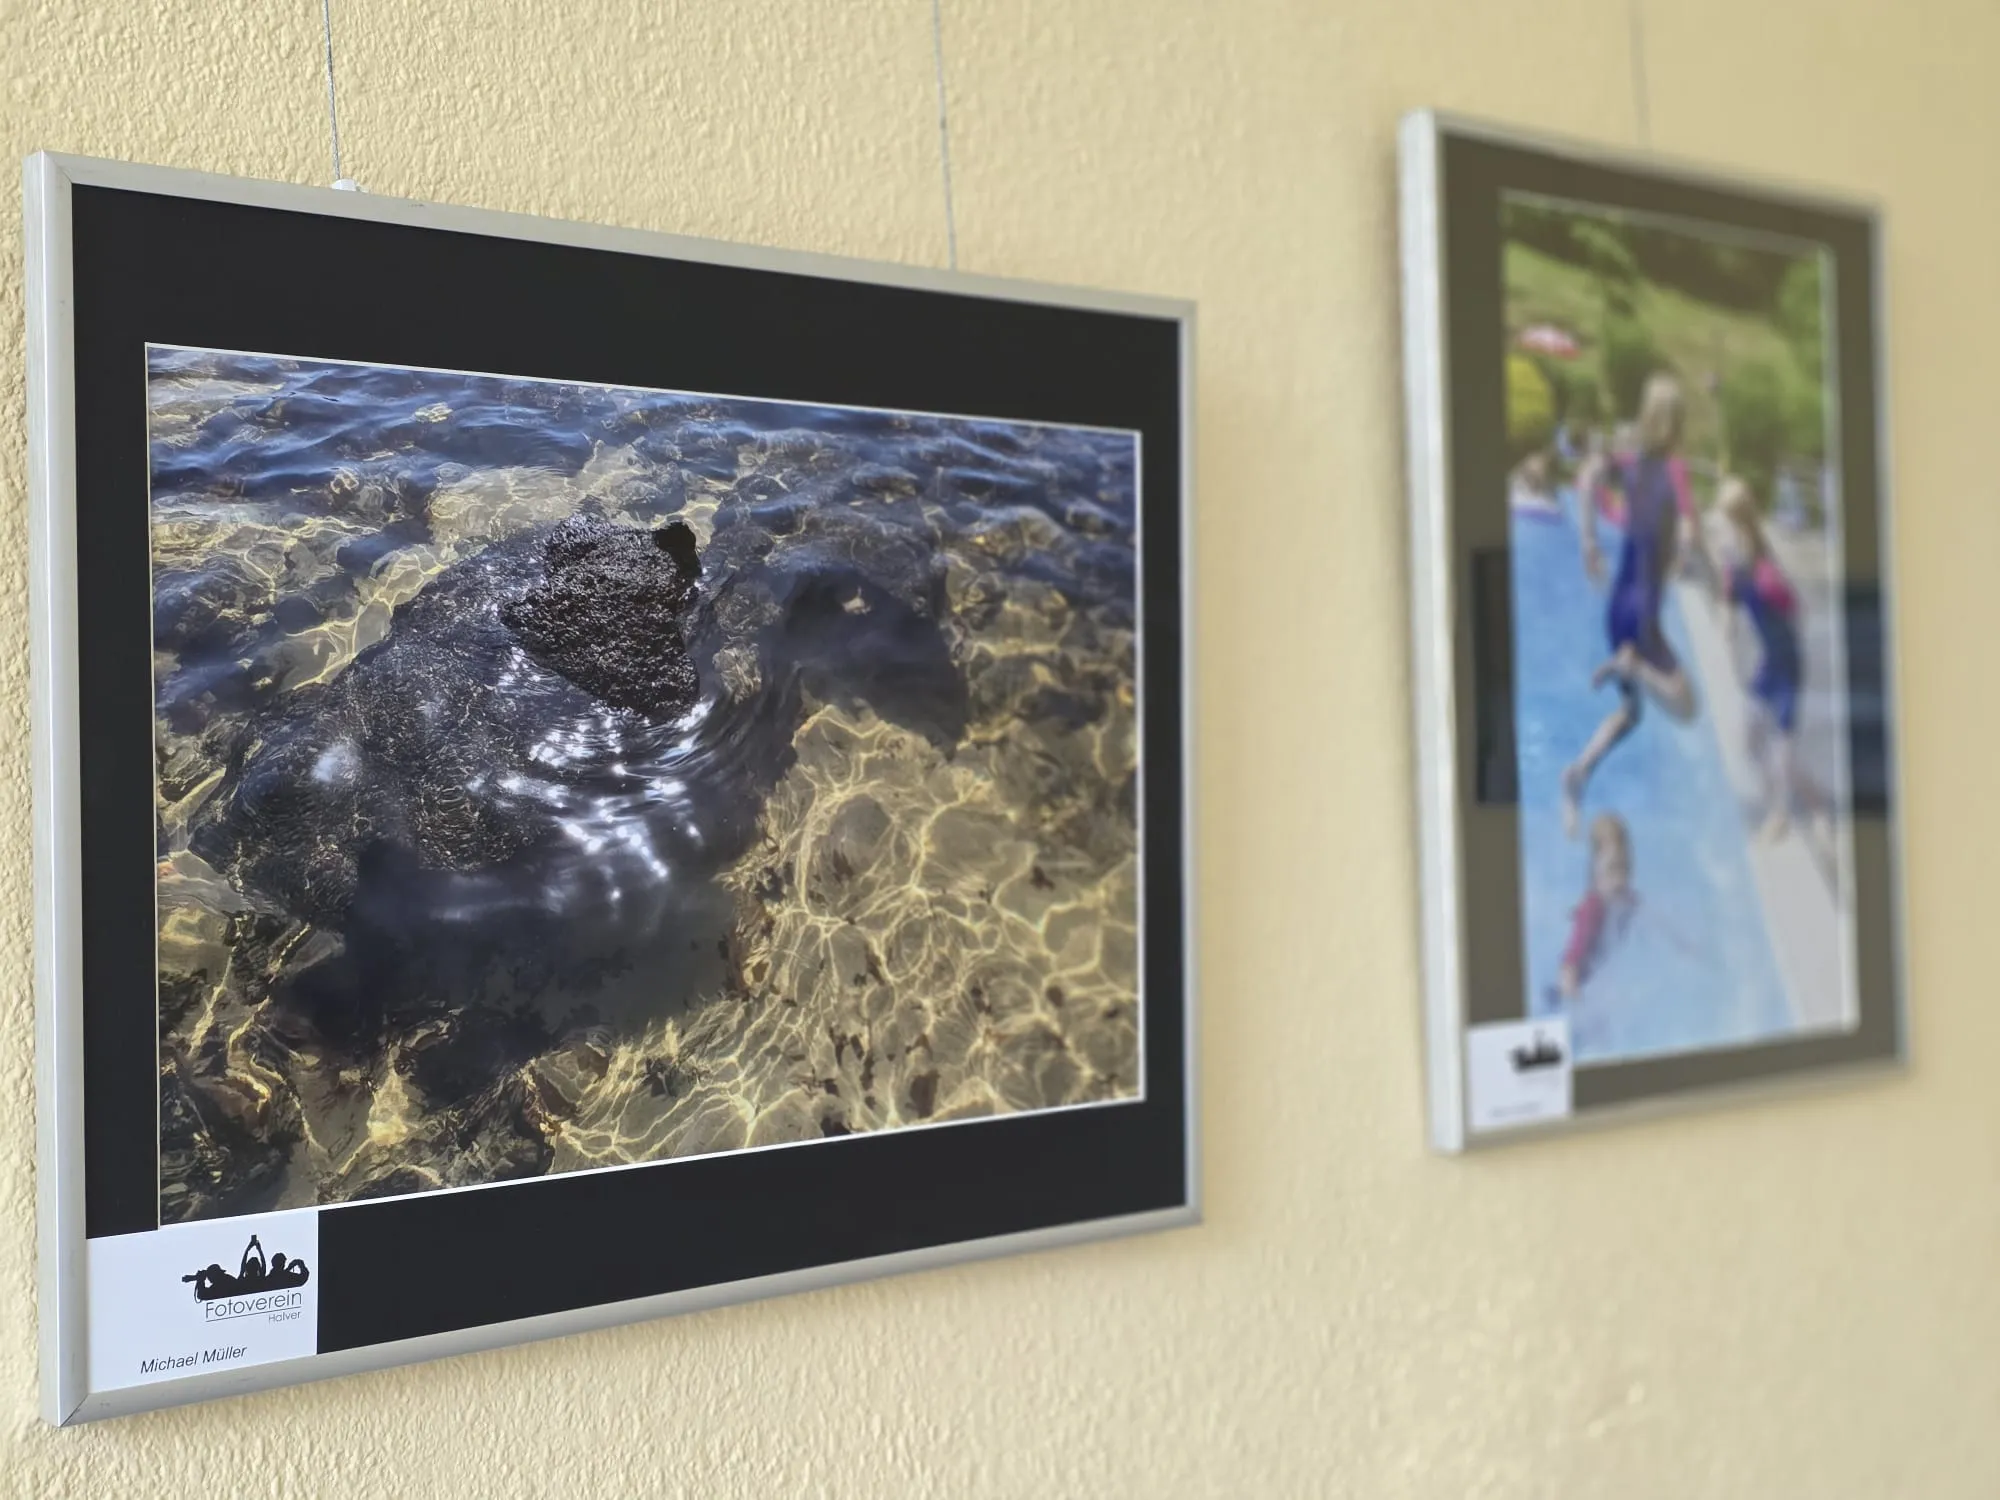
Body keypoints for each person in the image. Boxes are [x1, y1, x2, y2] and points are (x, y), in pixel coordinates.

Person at [1560, 373, 1700, 837]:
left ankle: (1579, 772)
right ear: (1678, 424)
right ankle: (1633, 667)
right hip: (1643, 616)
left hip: (1617, 611)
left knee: (1632, 713)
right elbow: (1687, 528)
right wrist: (1683, 551)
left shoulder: (1628, 462)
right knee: (1686, 706)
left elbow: (1586, 479)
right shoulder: (1675, 469)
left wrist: (1587, 543)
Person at [1712, 476, 1828, 842]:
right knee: (1750, 741)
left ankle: (1780, 816)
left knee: (1782, 756)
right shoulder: (1736, 564)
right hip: (1768, 663)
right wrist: (1728, 624)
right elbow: (1729, 599)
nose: (1716, 527)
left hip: (1787, 664)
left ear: (1738, 523)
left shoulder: (1767, 577)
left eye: (1722, 521)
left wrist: (1775, 636)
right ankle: (1816, 801)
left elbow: (1799, 613)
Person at [1556, 813, 1637, 999]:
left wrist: (1688, 948)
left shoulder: (1626, 899)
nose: (1620, 879)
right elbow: (1570, 962)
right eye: (1612, 868)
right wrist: (1574, 995)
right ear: (1595, 872)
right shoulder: (1592, 911)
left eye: (1625, 868)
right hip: (1576, 985)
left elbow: (1660, 924)